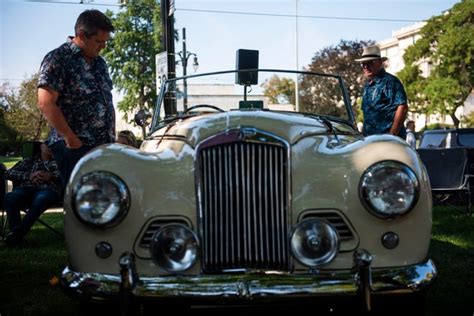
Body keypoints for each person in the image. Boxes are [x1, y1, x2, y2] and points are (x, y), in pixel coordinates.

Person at [37, 9, 115, 190]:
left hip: (101, 146)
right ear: (81, 35)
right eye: (98, 41)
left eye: (105, 42)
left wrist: (111, 137)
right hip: (74, 147)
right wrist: (71, 139)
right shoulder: (58, 58)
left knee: (107, 201)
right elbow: (46, 102)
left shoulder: (100, 63)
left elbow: (107, 102)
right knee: (80, 202)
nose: (102, 46)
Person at [3, 143, 61, 247]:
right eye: (47, 144)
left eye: (53, 145)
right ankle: (16, 238)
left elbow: (68, 174)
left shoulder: (60, 161)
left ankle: (16, 234)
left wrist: (50, 176)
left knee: (41, 199)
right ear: (41, 147)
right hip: (26, 188)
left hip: (48, 189)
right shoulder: (30, 161)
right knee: (10, 197)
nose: (50, 147)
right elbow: (8, 173)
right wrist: (29, 175)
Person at [356, 46, 408, 138]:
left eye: (370, 63)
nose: (366, 66)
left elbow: (402, 107)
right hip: (370, 141)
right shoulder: (368, 86)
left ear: (380, 63)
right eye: (363, 63)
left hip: (387, 142)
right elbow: (367, 115)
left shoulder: (390, 81)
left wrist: (392, 134)